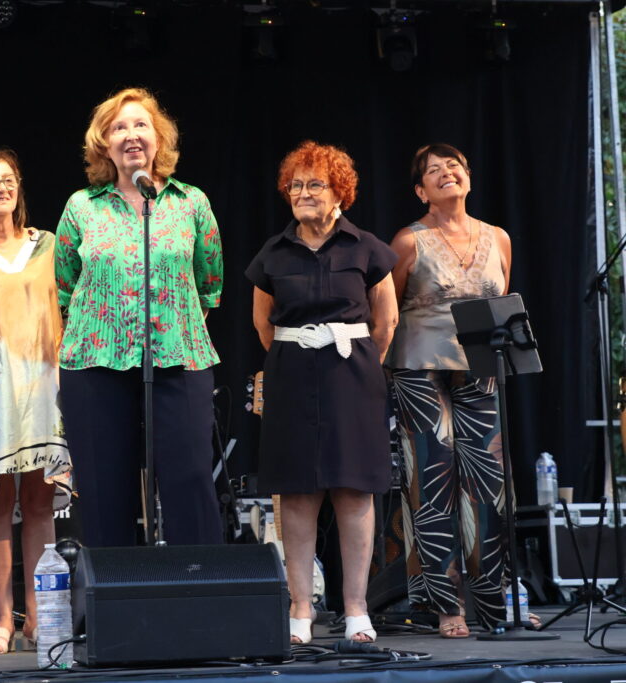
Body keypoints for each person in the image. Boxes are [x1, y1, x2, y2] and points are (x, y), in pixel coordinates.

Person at [54, 87, 223, 548]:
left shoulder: (191, 202)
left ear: (158, 138)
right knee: (105, 491)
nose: (131, 135)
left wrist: (174, 325)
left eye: (140, 125)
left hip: (179, 357)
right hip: (95, 361)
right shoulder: (81, 206)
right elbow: (66, 284)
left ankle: (198, 586)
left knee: (190, 482)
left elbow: (209, 281)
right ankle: (114, 590)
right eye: (118, 128)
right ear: (104, 144)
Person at [246, 141, 398, 644]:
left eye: (315, 184)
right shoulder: (273, 253)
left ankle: (356, 609)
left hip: (353, 377)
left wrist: (354, 364)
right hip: (291, 376)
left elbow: (386, 323)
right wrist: (299, 355)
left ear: (339, 193)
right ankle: (301, 609)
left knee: (354, 490)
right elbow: (263, 326)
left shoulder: (367, 248)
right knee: (297, 492)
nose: (303, 193)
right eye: (296, 185)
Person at [0, 147, 73, 654]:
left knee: (41, 503)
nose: (2, 188)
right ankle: (1, 620)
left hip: (45, 386)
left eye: (9, 179)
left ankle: (40, 618)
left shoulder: (49, 245)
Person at [389, 143, 512, 637]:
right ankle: (445, 605)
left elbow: (501, 303)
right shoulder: (408, 240)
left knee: (489, 484)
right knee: (432, 483)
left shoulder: (498, 237)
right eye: (434, 171)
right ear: (421, 191)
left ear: (468, 177)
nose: (447, 173)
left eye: (454, 166)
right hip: (420, 367)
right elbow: (388, 308)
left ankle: (496, 604)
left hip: (480, 367)